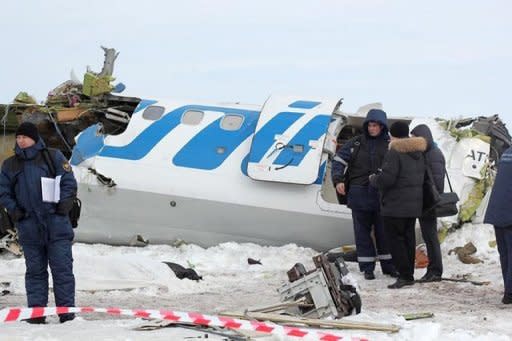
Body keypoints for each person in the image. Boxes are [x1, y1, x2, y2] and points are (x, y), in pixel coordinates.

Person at [0, 122, 77, 323]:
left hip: (56, 224)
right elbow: (3, 191)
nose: (20, 140)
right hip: (29, 226)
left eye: (24, 137)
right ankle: (36, 314)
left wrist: (64, 204)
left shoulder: (53, 156)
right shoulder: (10, 164)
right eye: (18, 137)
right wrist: (15, 210)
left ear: (34, 138)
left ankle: (66, 314)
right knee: (35, 271)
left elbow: (68, 181)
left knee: (62, 271)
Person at [332, 109, 397, 280]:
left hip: (383, 197)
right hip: (359, 196)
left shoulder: (391, 144)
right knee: (362, 234)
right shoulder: (356, 144)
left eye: (375, 125)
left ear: (382, 127)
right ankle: (367, 268)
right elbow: (338, 160)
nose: (371, 128)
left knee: (385, 234)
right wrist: (338, 180)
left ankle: (389, 267)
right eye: (369, 125)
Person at [369, 121, 427, 289]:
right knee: (408, 240)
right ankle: (408, 273)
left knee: (396, 241)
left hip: (395, 205)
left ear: (392, 134)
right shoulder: (418, 151)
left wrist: (374, 179)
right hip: (413, 204)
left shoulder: (395, 151)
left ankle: (404, 275)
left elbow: (387, 179)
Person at [411, 124, 445, 282]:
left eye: (416, 137)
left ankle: (436, 271)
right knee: (429, 237)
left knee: (431, 238)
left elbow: (437, 183)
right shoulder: (427, 153)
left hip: (429, 202)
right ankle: (433, 270)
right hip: (424, 201)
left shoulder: (434, 154)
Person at [484, 146, 512, 304]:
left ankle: (509, 292)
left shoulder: (508, 152)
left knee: (506, 254)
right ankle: (510, 293)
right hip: (509, 210)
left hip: (498, 209)